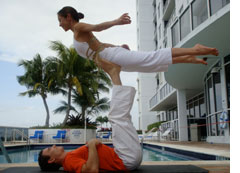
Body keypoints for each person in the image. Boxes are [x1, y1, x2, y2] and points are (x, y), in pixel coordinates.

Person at [38, 63, 142, 172]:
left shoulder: (70, 158)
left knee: (121, 118)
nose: (53, 145)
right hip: (125, 159)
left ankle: (115, 73)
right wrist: (92, 144)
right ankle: (114, 73)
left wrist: (92, 146)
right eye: (50, 149)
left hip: (125, 156)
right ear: (51, 160)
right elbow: (92, 170)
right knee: (117, 117)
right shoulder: (68, 161)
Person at [57, 6, 219, 73]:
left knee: (151, 58)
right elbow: (99, 45)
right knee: (151, 65)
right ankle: (190, 59)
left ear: (68, 17)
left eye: (60, 20)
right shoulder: (78, 34)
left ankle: (194, 49)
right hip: (111, 57)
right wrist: (118, 46)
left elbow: (98, 27)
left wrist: (116, 21)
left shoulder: (78, 28)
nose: (60, 24)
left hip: (113, 56)